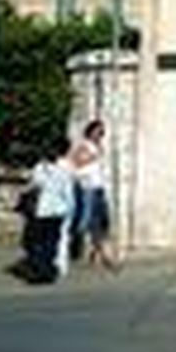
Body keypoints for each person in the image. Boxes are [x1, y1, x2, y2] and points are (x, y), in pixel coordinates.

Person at [22, 138, 75, 284]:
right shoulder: (63, 170)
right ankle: (48, 271)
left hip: (42, 210)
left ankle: (40, 270)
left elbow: (33, 185)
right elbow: (67, 192)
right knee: (51, 242)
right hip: (58, 210)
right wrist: (71, 210)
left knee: (40, 242)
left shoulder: (39, 169)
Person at [70, 119, 117, 270]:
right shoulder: (84, 145)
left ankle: (98, 255)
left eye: (101, 132)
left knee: (103, 221)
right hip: (88, 188)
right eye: (97, 131)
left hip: (98, 187)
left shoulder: (98, 146)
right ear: (90, 131)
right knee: (89, 222)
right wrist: (92, 157)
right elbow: (76, 162)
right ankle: (106, 257)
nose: (99, 135)